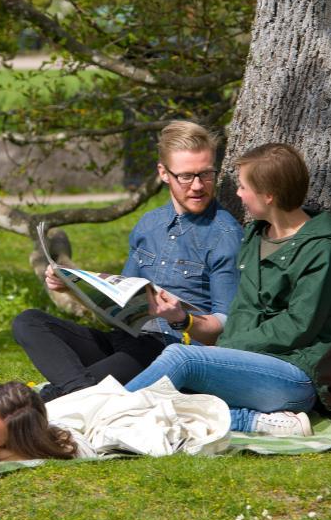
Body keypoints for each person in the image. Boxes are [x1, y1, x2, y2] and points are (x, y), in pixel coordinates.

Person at [124, 143, 331, 436]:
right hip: (248, 364)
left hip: (293, 375)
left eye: (244, 187)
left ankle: (94, 417)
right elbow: (243, 310)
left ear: (268, 195)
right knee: (170, 391)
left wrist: (227, 348)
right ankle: (254, 422)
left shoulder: (322, 248)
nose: (238, 194)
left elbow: (298, 325)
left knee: (181, 359)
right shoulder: (256, 236)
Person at [13, 121, 244, 402]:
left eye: (206, 174)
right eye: (186, 176)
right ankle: (77, 392)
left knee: (132, 356)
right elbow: (118, 306)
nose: (197, 186)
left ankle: (57, 395)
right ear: (163, 173)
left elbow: (225, 328)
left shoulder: (225, 235)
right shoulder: (149, 225)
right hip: (127, 341)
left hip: (171, 351)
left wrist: (182, 319)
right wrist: (74, 286)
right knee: (29, 322)